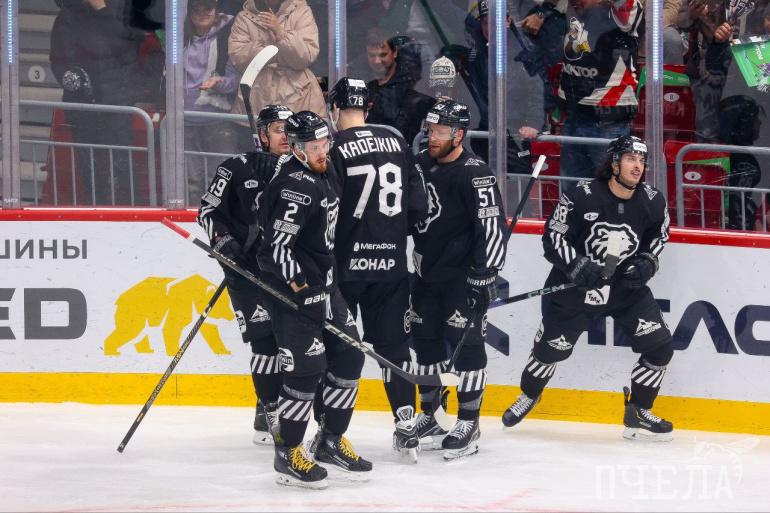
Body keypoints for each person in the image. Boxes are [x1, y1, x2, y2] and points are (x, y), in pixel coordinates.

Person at [501, 135, 675, 442]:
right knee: (549, 352)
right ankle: (529, 394)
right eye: (631, 159)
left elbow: (659, 236)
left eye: (641, 161)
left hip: (625, 291)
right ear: (614, 163)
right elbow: (553, 237)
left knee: (660, 348)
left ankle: (638, 410)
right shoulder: (581, 196)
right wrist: (578, 265)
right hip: (576, 289)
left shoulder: (652, 200)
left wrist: (648, 261)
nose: (637, 166)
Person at [257, 111, 372, 488]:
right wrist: (301, 288)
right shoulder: (294, 187)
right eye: (314, 147)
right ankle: (288, 452)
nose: (323, 151)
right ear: (296, 148)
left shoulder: (324, 170)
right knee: (306, 370)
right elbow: (277, 248)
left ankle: (329, 440)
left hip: (327, 287)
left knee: (351, 356)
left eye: (325, 143)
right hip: (294, 295)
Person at [326, 77, 428, 461]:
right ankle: (406, 426)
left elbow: (325, 207)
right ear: (367, 108)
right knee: (395, 349)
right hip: (390, 267)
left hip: (344, 270)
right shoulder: (397, 142)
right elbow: (418, 207)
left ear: (335, 109)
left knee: (337, 349)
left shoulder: (332, 147)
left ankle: (328, 430)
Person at [410, 100, 509, 460]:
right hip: (425, 274)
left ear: (459, 134)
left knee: (466, 347)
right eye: (430, 129)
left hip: (462, 278)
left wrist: (486, 273)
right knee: (425, 345)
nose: (431, 136)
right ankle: (432, 416)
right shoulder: (419, 164)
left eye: (440, 131)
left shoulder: (475, 173)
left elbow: (492, 227)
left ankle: (469, 422)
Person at [197, 105, 293, 446]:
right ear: (262, 135)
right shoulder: (236, 167)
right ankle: (269, 410)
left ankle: (284, 406)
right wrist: (223, 240)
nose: (286, 136)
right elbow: (208, 210)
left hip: (287, 272)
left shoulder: (303, 171)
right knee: (264, 341)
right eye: (278, 129)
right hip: (246, 272)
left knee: (291, 344)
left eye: (290, 129)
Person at [50, 0, 156, 205]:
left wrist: (102, 10)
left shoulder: (125, 8)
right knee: (90, 167)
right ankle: (94, 209)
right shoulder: (68, 16)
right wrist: (71, 77)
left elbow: (125, 44)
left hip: (117, 103)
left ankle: (128, 210)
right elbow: (58, 59)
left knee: (122, 164)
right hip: (82, 105)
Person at [557, 0, 643, 182]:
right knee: (572, 192)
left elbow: (626, 10)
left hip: (609, 117)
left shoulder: (626, 6)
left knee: (612, 189)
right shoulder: (572, 6)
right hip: (573, 111)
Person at [228, 0, 326, 139]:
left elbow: (306, 56)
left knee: (297, 149)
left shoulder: (302, 12)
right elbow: (238, 58)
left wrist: (281, 34)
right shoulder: (244, 17)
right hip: (256, 98)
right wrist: (273, 48)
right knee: (257, 150)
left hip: (299, 97)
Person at [183, 0, 241, 205]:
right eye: (195, 9)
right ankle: (192, 218)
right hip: (184, 119)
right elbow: (166, 76)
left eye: (207, 8)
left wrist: (218, 83)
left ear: (216, 11)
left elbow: (234, 80)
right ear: (188, 13)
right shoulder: (178, 37)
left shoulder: (227, 37)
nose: (201, 13)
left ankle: (219, 220)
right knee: (190, 181)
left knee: (219, 180)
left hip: (217, 119)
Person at [365, 29, 436, 144]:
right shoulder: (361, 81)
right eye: (372, 55)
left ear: (395, 52)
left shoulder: (412, 83)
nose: (377, 61)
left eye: (383, 55)